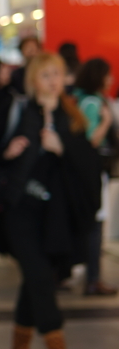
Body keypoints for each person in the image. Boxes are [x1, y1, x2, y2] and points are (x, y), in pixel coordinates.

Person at [0, 53, 101, 349]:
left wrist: (62, 149)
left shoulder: (72, 115)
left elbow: (89, 163)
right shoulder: (18, 110)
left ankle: (19, 344)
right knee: (39, 275)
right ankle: (56, 346)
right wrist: (7, 152)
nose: (53, 81)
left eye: (57, 74)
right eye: (46, 75)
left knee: (38, 277)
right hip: (20, 209)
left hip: (56, 214)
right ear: (34, 79)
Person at [72, 58, 118, 296]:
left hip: (89, 171)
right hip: (92, 170)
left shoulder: (84, 99)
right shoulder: (92, 102)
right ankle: (93, 278)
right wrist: (107, 121)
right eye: (108, 74)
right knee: (95, 223)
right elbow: (91, 138)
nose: (111, 79)